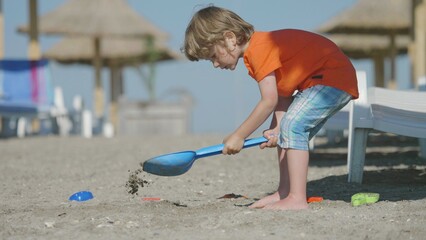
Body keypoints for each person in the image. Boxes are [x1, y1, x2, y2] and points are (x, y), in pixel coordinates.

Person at [182, 6, 358, 210]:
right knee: (286, 131)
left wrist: (239, 135)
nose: (214, 64)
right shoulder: (257, 53)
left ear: (229, 38)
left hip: (332, 79)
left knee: (292, 128)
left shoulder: (259, 49)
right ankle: (284, 192)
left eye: (213, 56)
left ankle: (297, 198)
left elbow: (268, 101)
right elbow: (282, 98)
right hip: (323, 82)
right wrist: (276, 128)